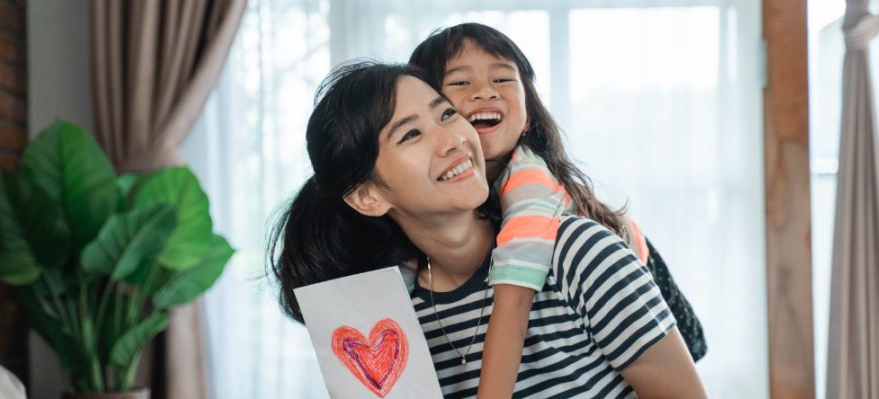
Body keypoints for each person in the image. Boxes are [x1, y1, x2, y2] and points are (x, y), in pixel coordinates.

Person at [267, 61, 707, 398]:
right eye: (411, 135)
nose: (452, 138)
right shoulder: (391, 325)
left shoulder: (578, 254)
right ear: (367, 197)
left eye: (445, 114)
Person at [409, 23, 708, 398]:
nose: (485, 90)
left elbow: (515, 301)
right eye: (460, 84)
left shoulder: (528, 184)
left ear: (529, 115)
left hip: (640, 274)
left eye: (503, 78)